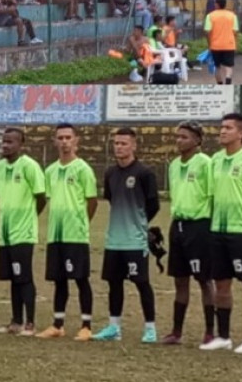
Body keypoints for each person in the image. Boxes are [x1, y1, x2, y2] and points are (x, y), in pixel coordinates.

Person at [200, 113, 242, 353]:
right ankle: (224, 336)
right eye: (221, 127)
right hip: (218, 230)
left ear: (241, 133)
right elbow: (211, 195)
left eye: (228, 128)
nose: (222, 131)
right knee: (222, 283)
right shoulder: (215, 160)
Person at [93, 128, 160, 343]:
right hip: (114, 240)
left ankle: (150, 328)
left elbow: (153, 205)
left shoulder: (144, 173)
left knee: (141, 283)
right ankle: (114, 327)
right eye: (116, 143)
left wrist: (138, 224)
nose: (119, 147)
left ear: (134, 146)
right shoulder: (110, 173)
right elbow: (112, 200)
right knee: (114, 283)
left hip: (135, 240)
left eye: (123, 143)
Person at [36, 123, 97, 340]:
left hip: (75, 235)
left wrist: (80, 222)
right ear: (55, 141)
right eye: (60, 138)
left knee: (80, 279)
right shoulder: (50, 171)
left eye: (68, 138)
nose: (64, 142)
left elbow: (92, 201)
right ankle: (58, 324)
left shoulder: (83, 169)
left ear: (76, 141)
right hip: (56, 235)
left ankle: (86, 326)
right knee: (59, 280)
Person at [162, 122, 216, 345]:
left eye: (185, 137)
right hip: (178, 226)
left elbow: (213, 196)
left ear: (197, 141)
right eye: (178, 136)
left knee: (204, 280)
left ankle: (210, 331)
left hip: (199, 226)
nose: (179, 140)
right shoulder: (174, 165)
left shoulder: (205, 163)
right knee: (180, 280)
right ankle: (176, 331)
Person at [0, 127, 45, 336]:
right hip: (5, 234)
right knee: (13, 278)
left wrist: (29, 217)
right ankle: (15, 321)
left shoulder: (29, 167)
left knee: (24, 277)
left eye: (11, 142)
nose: (6, 145)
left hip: (23, 233)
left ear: (20, 145)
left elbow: (41, 197)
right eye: (4, 141)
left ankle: (30, 323)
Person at [204, 0, 239, 85]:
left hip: (215, 45)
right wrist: (236, 43)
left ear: (217, 4)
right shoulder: (232, 16)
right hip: (229, 45)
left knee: (217, 66)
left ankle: (220, 84)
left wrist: (209, 44)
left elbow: (207, 31)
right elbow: (235, 31)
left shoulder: (210, 16)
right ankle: (228, 82)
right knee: (229, 66)